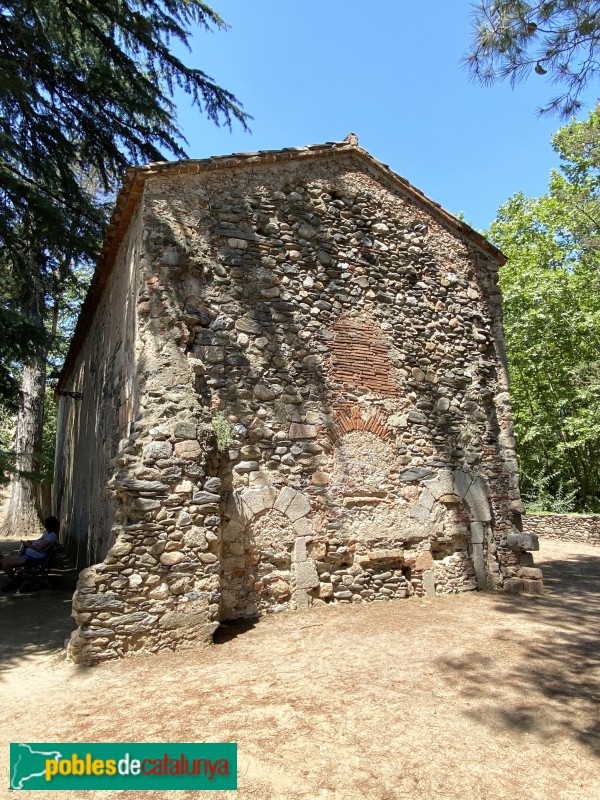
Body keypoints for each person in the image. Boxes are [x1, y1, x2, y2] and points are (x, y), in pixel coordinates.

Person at [0, 516, 60, 589]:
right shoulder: (48, 534)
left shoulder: (52, 536)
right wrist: (31, 542)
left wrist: (29, 545)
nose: (45, 525)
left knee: (5, 565)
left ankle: (15, 582)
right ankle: (15, 580)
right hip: (30, 554)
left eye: (46, 524)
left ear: (50, 525)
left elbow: (39, 548)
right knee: (2, 561)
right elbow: (39, 540)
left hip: (34, 558)